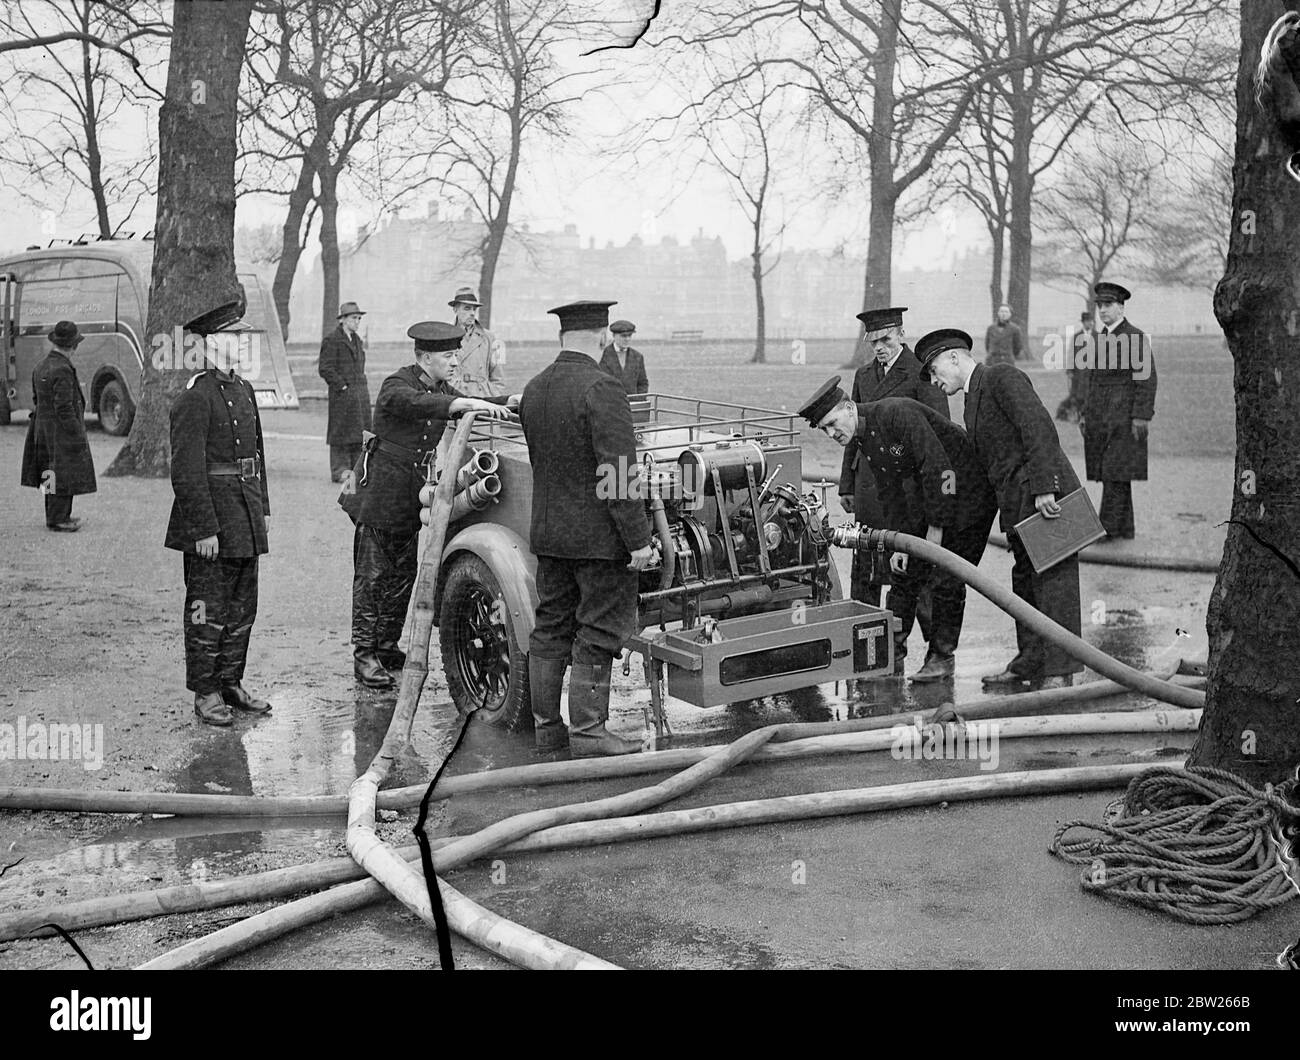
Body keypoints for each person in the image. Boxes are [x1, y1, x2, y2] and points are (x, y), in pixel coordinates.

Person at [342, 321, 515, 688]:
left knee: (402, 576)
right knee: (372, 579)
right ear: (424, 358)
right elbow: (421, 404)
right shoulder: (398, 384)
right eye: (448, 356)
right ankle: (364, 655)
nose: (455, 362)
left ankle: (387, 646)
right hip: (379, 496)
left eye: (456, 355)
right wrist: (458, 402)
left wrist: (506, 402)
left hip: (409, 495)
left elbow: (458, 402)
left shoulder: (438, 387)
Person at [519, 300, 655, 757]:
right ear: (601, 337)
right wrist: (638, 541)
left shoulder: (535, 389)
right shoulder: (604, 387)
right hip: (599, 542)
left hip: (549, 536)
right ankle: (591, 735)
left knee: (552, 626)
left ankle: (547, 732)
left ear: (561, 337)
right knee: (597, 630)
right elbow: (619, 473)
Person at [801, 377, 997, 681]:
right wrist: (898, 544)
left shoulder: (896, 414)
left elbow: (941, 470)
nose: (831, 433)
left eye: (832, 423)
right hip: (934, 496)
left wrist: (935, 531)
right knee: (904, 573)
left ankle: (942, 657)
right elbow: (891, 493)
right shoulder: (863, 437)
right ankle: (890, 655)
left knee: (946, 578)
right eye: (825, 429)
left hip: (970, 497)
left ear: (849, 408)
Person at [919, 327, 1083, 691]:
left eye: (934, 370)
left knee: (1055, 585)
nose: (934, 381)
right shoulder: (972, 398)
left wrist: (1044, 488)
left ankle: (1060, 671)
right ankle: (1031, 662)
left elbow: (1038, 427)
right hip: (1020, 509)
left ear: (954, 358)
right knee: (1026, 585)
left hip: (1045, 500)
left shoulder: (1000, 376)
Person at [165, 302, 274, 726]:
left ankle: (231, 681)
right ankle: (206, 691)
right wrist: (203, 529)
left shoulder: (244, 389)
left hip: (244, 515)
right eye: (235, 338)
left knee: (243, 607)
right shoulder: (196, 397)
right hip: (213, 520)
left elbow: (257, 456)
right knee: (207, 609)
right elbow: (186, 471)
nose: (243, 345)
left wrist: (262, 507)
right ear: (212, 344)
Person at [838, 307, 950, 645]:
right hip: (868, 485)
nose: (879, 348)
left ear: (901, 334)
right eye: (873, 343)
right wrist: (847, 483)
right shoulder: (863, 376)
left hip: (907, 490)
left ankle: (935, 650)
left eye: (886, 340)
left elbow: (938, 437)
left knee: (913, 568)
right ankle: (864, 642)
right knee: (868, 563)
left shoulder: (921, 374)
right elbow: (851, 428)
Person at [1079, 281, 1157, 540]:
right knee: (1114, 471)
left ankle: (1107, 528)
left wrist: (1141, 415)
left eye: (1108, 305)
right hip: (1101, 416)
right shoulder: (1098, 338)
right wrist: (1085, 414)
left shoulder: (1135, 336)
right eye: (1099, 305)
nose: (1102, 310)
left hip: (1124, 415)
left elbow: (1146, 379)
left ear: (1121, 307)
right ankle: (1125, 528)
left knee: (1115, 469)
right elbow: (1092, 380)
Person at [20, 320, 96, 531]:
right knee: (64, 474)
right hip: (61, 432)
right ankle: (60, 518)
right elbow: (64, 407)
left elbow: (36, 399)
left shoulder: (40, 366)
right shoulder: (63, 369)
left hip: (41, 429)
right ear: (73, 346)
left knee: (48, 472)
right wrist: (76, 432)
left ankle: (52, 515)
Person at [318, 301, 373, 482]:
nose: (357, 322)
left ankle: (356, 469)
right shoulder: (332, 340)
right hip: (342, 396)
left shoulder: (357, 340)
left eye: (359, 318)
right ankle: (339, 470)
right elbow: (325, 368)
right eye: (353, 318)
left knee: (359, 432)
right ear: (342, 320)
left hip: (359, 395)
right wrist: (341, 386)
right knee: (341, 433)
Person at [447, 286, 506, 397]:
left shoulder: (490, 338)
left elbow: (499, 379)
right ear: (455, 309)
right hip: (455, 397)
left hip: (483, 397)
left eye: (474, 309)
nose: (472, 313)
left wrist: (492, 398)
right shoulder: (445, 337)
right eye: (467, 308)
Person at [1055, 308, 1093, 423]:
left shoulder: (1099, 336)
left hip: (1093, 372)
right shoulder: (1076, 337)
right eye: (1086, 321)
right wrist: (1070, 370)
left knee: (1092, 394)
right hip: (1079, 372)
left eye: (1091, 321)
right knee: (1076, 394)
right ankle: (1074, 415)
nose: (1089, 323)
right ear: (1083, 323)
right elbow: (1072, 354)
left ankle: (1090, 416)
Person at [599, 319, 649, 394]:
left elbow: (642, 383)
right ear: (614, 336)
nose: (627, 339)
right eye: (623, 336)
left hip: (632, 403)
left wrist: (639, 400)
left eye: (630, 335)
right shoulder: (602, 355)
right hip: (610, 403)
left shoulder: (638, 357)